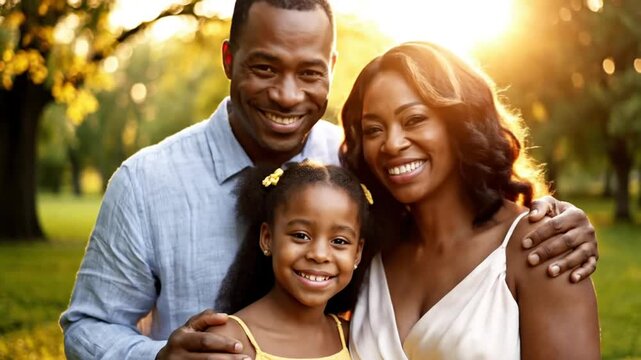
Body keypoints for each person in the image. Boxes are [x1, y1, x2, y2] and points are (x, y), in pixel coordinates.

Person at [60, 1, 599, 358]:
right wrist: (161, 356)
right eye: (265, 68)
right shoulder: (147, 182)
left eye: (309, 73)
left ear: (331, 68)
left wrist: (561, 217)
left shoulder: (348, 171)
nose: (289, 96)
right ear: (230, 59)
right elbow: (86, 325)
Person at [340, 41, 600, 359]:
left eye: (414, 120)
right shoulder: (366, 255)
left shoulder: (541, 247)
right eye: (374, 129)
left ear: (459, 123)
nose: (392, 144)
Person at [211, 161, 368, 359]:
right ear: (267, 238)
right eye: (301, 235)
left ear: (357, 253)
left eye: (339, 241)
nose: (319, 254)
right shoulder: (229, 342)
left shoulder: (351, 338)